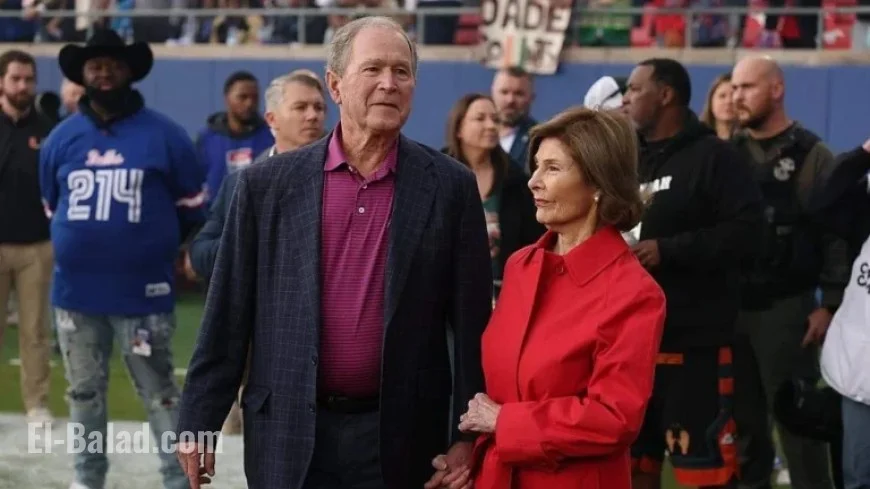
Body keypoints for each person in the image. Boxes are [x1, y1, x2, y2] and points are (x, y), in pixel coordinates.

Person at [175, 16, 493, 489]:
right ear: (336, 84)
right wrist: (199, 418)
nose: (389, 83)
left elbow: (472, 328)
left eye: (402, 72)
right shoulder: (265, 185)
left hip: (401, 438)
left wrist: (467, 436)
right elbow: (227, 314)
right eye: (373, 69)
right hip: (286, 429)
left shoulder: (450, 187)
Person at [425, 107, 667, 489]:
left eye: (552, 169)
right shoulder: (522, 265)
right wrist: (468, 452)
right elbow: (497, 390)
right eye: (536, 166)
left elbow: (614, 418)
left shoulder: (633, 292)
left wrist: (505, 423)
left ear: (597, 183)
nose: (533, 182)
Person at [39, 29, 206, 489]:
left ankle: (180, 480)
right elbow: (53, 206)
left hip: (144, 296)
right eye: (94, 65)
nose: (103, 71)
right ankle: (87, 479)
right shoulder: (60, 139)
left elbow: (194, 208)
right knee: (84, 393)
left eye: (112, 63)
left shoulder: (167, 135)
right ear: (82, 75)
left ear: (130, 70)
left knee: (160, 395)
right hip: (75, 296)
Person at [621, 58, 764, 489]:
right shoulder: (629, 159)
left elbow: (748, 232)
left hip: (694, 346)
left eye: (634, 89)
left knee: (703, 472)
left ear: (665, 95)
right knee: (630, 468)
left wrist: (669, 250)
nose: (625, 98)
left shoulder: (716, 158)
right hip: (630, 349)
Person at [184, 68, 328, 435]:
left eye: (318, 107)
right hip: (254, 346)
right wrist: (249, 248)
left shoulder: (343, 178)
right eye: (301, 107)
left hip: (324, 345)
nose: (313, 115)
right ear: (272, 119)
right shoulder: (242, 182)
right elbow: (201, 252)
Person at [730, 55, 848, 489]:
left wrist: (830, 304)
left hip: (787, 308)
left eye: (747, 87)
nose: (737, 97)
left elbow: (838, 235)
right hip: (732, 308)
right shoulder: (726, 154)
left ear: (776, 89)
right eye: (735, 88)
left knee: (798, 423)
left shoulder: (813, 155)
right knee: (742, 428)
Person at [810, 136, 870, 489]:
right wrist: (863, 154)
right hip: (862, 370)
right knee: (859, 478)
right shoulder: (864, 213)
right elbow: (822, 202)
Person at [0, 49, 56, 426]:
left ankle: (36, 405)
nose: (23, 86)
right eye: (16, 78)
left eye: (28, 79)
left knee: (36, 331)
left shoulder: (49, 129)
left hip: (37, 245)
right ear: (1, 82)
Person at [442, 93, 544, 299]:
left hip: (504, 294)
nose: (490, 125)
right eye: (480, 119)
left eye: (495, 119)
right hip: (446, 293)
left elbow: (534, 241)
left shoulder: (516, 181)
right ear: (459, 128)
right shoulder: (437, 174)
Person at [196, 70, 274, 206]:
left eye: (254, 98)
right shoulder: (206, 138)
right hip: (216, 221)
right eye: (242, 97)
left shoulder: (271, 136)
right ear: (227, 98)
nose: (249, 103)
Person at [491, 66, 536, 174]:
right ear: (492, 92)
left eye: (519, 94)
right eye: (504, 92)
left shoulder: (538, 139)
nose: (510, 100)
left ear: (531, 98)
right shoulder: (473, 137)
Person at [699, 73, 735, 140]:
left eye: (733, 96)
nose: (728, 101)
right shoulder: (697, 139)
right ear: (711, 102)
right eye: (722, 96)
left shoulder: (750, 143)